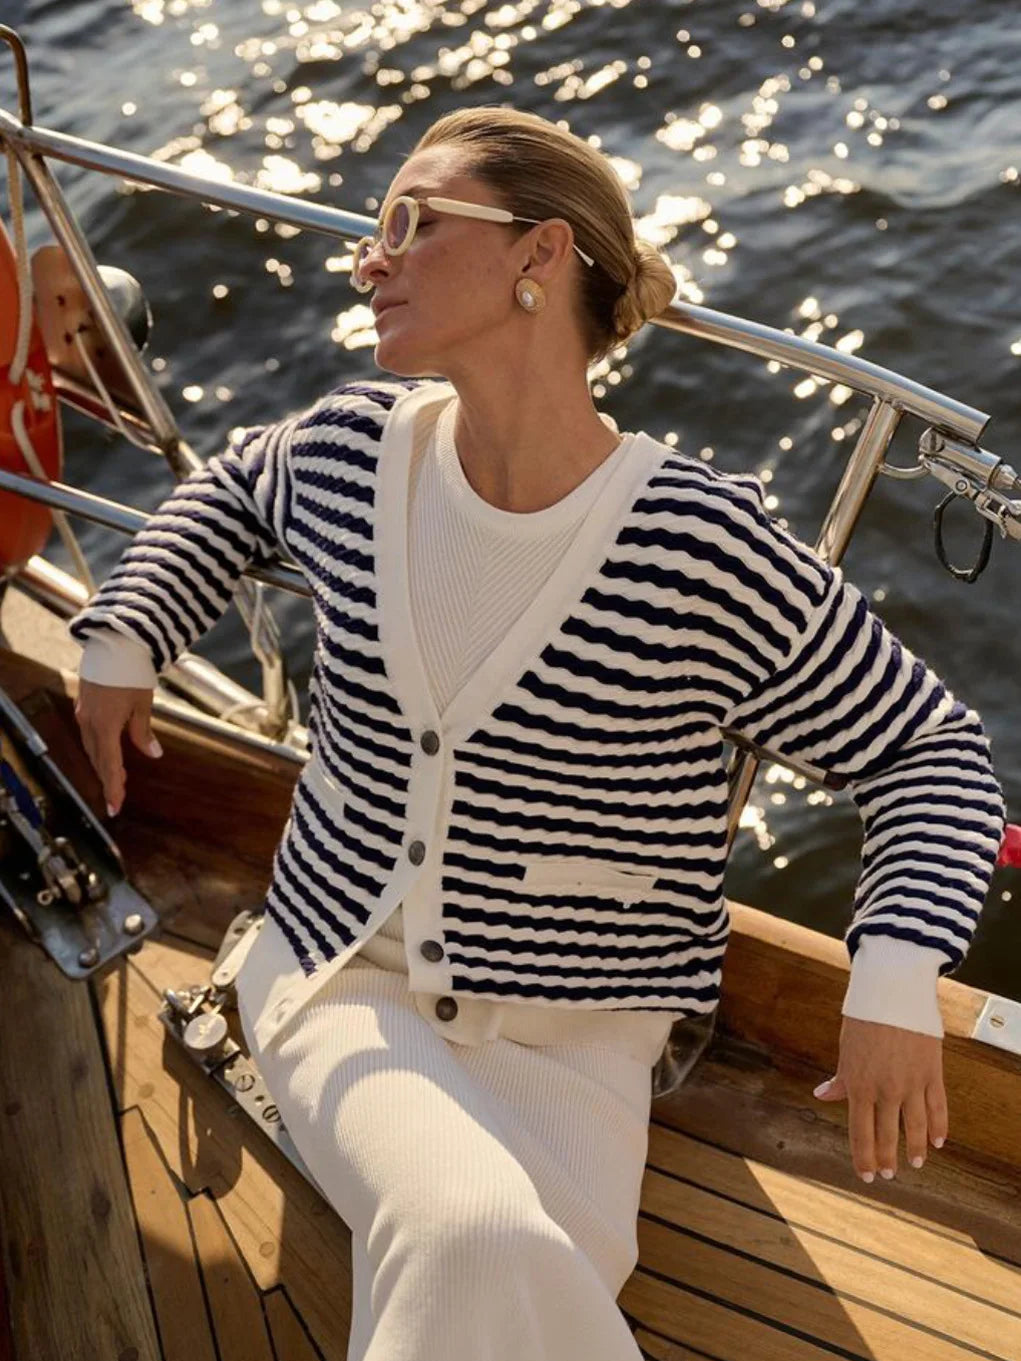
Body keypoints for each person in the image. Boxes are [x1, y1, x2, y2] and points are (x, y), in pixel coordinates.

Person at [69, 107, 1005, 1360]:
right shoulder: (351, 450)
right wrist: (125, 635)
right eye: (371, 227)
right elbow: (228, 491)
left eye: (409, 221)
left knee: (517, 1280)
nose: (366, 255)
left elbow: (926, 752)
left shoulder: (695, 547)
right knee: (474, 1245)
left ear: (538, 256)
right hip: (347, 979)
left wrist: (891, 982)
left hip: (589, 1048)